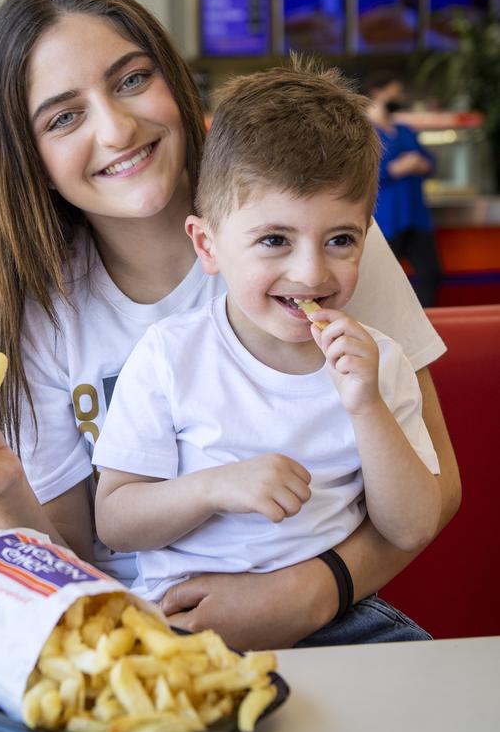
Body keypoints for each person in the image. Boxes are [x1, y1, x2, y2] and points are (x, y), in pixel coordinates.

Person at [0, 0, 460, 652]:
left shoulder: (316, 236)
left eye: (131, 79)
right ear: (32, 158)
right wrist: (2, 487)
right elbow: (70, 550)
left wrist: (311, 591)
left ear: (175, 81)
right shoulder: (42, 308)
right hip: (136, 635)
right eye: (64, 116)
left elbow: (436, 488)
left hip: (329, 607)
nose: (118, 127)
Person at [92, 62, 441, 644]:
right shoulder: (170, 356)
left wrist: (367, 406)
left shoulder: (380, 361)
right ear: (208, 244)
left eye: (340, 240)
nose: (310, 272)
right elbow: (116, 522)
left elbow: (412, 527)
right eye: (275, 240)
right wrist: (215, 486)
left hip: (341, 618)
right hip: (182, 620)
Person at [363, 71, 443, 307]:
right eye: (395, 92)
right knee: (380, 281)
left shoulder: (406, 129)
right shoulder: (362, 130)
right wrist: (394, 168)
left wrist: (421, 164)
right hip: (385, 219)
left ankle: (420, 323)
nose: (400, 97)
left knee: (431, 273)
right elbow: (354, 172)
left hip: (416, 216)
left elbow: (431, 162)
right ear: (378, 93)